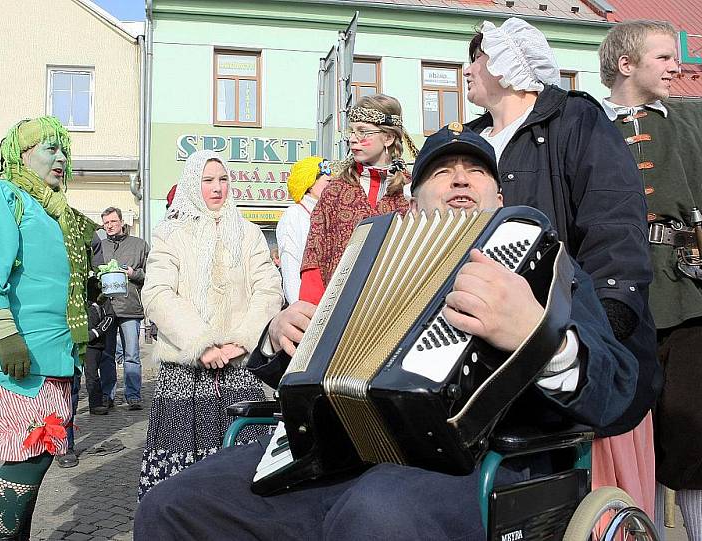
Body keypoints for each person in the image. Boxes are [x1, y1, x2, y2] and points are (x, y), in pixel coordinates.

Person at [133, 127, 639, 540]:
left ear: (500, 196)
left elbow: (617, 388)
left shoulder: (548, 269)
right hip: (339, 452)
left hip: (481, 463)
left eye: (475, 173)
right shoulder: (374, 267)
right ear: (414, 203)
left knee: (375, 515)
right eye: (442, 172)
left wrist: (538, 337)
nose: (460, 181)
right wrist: (278, 335)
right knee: (172, 505)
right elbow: (318, 373)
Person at [463, 17, 659, 517]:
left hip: (572, 337)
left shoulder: (574, 121)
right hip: (483, 348)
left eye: (476, 58)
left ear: (507, 64)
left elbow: (615, 226)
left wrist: (601, 331)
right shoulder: (469, 143)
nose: (466, 70)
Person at [0, 116, 97, 540]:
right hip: (9, 355)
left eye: (64, 149)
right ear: (20, 155)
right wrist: (3, 331)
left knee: (40, 451)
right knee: (28, 452)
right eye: (50, 149)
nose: (61, 158)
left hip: (48, 354)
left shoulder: (50, 212)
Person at [599, 20, 702, 539]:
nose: (678, 67)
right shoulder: (586, 125)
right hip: (609, 300)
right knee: (623, 440)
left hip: (691, 296)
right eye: (665, 58)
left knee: (700, 439)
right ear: (627, 65)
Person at [137, 150, 283, 501]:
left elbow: (268, 288)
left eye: (223, 179)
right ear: (193, 183)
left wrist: (243, 340)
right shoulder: (171, 233)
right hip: (185, 373)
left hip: (237, 368)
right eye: (207, 180)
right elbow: (156, 293)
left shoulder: (247, 233)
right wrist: (199, 343)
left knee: (245, 466)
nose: (217, 188)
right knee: (180, 477)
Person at [299, 93, 418, 304]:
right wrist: (312, 312)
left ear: (388, 138)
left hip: (398, 306)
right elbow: (314, 255)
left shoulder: (411, 191)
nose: (353, 138)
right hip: (339, 309)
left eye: (363, 131)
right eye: (351, 131)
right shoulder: (334, 191)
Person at [57, 277, 115, 468]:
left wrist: (94, 333)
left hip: (88, 343)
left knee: (76, 387)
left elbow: (109, 314)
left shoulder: (93, 285)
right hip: (57, 335)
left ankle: (66, 444)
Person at [98, 206, 149, 410]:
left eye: (113, 222)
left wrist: (133, 273)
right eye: (106, 223)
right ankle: (107, 395)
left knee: (132, 355)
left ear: (122, 222)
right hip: (107, 309)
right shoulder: (99, 246)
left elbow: (152, 274)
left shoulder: (139, 245)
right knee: (107, 355)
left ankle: (133, 395)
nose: (109, 226)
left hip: (131, 308)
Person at [276, 156, 332, 304]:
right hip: (306, 303)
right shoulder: (294, 214)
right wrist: (297, 307)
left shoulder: (329, 213)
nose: (332, 187)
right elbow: (290, 265)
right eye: (328, 182)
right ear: (310, 184)